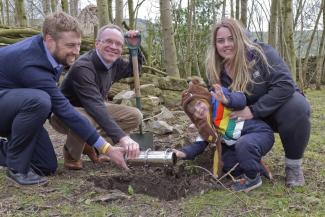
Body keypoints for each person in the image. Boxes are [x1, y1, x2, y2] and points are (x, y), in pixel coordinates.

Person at [0, 12, 133, 186]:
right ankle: (17, 168)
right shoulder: (30, 63)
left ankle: (12, 152)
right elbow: (63, 109)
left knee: (45, 165)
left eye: (78, 45)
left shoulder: (49, 51)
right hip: (8, 105)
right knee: (39, 100)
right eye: (70, 45)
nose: (76, 51)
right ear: (50, 40)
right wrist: (106, 148)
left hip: (14, 109)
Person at [205, 18, 311, 187]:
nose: (226, 44)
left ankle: (293, 166)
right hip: (243, 122)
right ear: (215, 45)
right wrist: (202, 117)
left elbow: (285, 85)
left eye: (231, 38)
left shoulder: (262, 53)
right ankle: (251, 162)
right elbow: (210, 100)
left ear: (240, 38)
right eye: (220, 41)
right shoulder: (215, 69)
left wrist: (253, 110)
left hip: (275, 112)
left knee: (297, 106)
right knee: (230, 160)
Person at [50, 24, 143, 170]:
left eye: (118, 44)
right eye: (108, 41)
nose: (113, 46)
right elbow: (95, 107)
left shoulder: (114, 63)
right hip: (65, 113)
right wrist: (123, 138)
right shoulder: (83, 67)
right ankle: (71, 155)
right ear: (97, 43)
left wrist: (135, 49)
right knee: (88, 120)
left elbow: (133, 70)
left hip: (92, 107)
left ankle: (95, 145)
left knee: (135, 115)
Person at [175, 79, 274, 192]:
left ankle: (253, 179)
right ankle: (257, 167)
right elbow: (199, 144)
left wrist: (226, 99)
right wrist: (184, 153)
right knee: (227, 163)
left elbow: (240, 99)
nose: (199, 109)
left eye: (199, 103)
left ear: (205, 98)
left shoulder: (220, 100)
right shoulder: (205, 126)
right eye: (194, 111)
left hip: (260, 133)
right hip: (238, 145)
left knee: (244, 144)